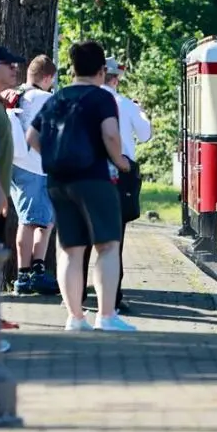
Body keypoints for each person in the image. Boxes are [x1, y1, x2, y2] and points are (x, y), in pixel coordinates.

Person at [27, 41, 135, 331]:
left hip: (58, 181)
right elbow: (111, 135)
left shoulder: (58, 97)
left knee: (70, 249)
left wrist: (54, 157)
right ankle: (107, 315)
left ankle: (75, 318)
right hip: (94, 178)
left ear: (72, 68)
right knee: (108, 246)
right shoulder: (101, 98)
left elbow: (32, 136)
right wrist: (121, 161)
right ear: (102, 70)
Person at [81, 57, 152, 314]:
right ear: (116, 78)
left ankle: (77, 294)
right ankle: (112, 297)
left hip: (85, 171)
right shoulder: (124, 104)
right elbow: (145, 135)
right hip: (119, 174)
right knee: (114, 239)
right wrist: (141, 111)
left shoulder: (82, 100)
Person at [3, 54, 59, 295]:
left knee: (42, 220)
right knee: (31, 222)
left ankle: (36, 269)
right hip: (36, 166)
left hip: (17, 164)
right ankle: (25, 276)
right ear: (47, 77)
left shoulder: (16, 95)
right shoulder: (45, 99)